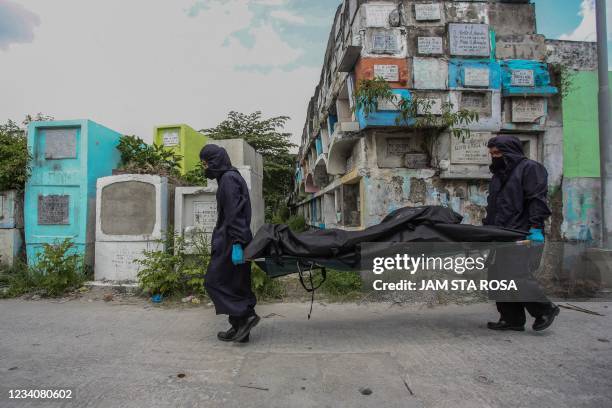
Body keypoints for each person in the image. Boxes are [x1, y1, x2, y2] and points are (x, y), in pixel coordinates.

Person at [483, 135, 560, 332]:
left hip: (521, 232)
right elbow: (495, 205)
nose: (495, 157)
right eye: (492, 154)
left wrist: (535, 229)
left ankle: (545, 309)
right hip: (499, 232)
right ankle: (511, 319)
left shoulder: (530, 169)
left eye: (498, 153)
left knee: (515, 275)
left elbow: (537, 200)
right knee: (498, 277)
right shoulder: (499, 175)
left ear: (511, 151)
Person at [200, 144, 259, 343]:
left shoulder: (228, 180)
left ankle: (246, 317)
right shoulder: (230, 177)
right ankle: (240, 327)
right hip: (235, 237)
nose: (204, 167)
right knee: (236, 283)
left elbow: (235, 214)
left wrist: (239, 242)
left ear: (215, 161)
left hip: (231, 240)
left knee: (214, 281)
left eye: (206, 163)